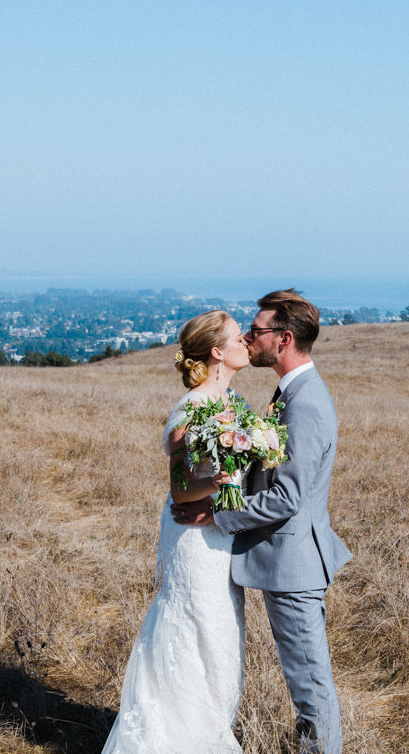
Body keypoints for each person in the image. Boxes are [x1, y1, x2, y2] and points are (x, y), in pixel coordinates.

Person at [173, 289, 352, 754]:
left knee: (310, 687)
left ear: (284, 338)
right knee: (308, 682)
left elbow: (288, 497)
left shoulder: (306, 403)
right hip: (284, 561)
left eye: (258, 330)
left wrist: (216, 513)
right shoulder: (288, 392)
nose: (250, 338)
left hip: (293, 564)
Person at [101, 310, 251, 753]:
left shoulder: (230, 401)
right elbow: (180, 489)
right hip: (195, 539)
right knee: (197, 635)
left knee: (221, 638)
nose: (246, 340)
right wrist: (221, 483)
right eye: (236, 336)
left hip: (219, 534)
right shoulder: (194, 406)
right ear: (217, 352)